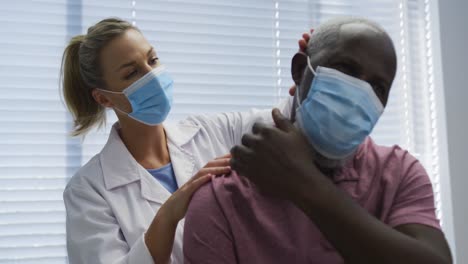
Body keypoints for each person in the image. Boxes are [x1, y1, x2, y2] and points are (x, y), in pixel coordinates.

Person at [184, 17, 453, 264]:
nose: (359, 92)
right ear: (301, 70)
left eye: (378, 87)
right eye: (345, 69)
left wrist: (303, 182)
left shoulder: (399, 174)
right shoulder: (221, 201)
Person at [61, 18, 300, 263]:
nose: (152, 75)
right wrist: (170, 213)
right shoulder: (89, 190)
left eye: (152, 60)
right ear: (104, 99)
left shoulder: (211, 131)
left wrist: (315, 70)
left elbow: (288, 116)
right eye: (132, 73)